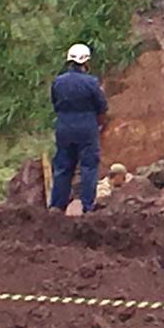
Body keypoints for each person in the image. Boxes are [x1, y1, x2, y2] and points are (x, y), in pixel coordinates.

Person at [49, 43, 109, 214]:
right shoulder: (91, 82)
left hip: (64, 127)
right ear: (86, 62)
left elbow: (55, 104)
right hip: (86, 127)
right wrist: (100, 125)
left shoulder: (58, 82)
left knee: (63, 167)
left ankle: (56, 206)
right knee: (88, 167)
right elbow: (102, 108)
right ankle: (87, 207)